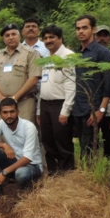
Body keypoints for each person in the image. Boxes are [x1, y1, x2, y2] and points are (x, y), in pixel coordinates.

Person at [0, 98, 43, 199]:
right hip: (14, 161)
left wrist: (4, 172)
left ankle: (26, 190)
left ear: (18, 112)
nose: (9, 115)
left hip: (32, 166)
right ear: (0, 113)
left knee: (21, 173)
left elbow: (27, 158)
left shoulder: (28, 127)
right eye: (5, 112)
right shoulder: (2, 123)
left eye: (12, 111)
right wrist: (4, 145)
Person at [36, 25, 76, 174]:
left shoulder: (68, 56)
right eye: (45, 38)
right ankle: (53, 172)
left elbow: (71, 86)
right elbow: (43, 85)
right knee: (47, 140)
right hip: (45, 104)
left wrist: (66, 110)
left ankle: (67, 173)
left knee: (62, 139)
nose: (48, 40)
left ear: (60, 38)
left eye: (52, 37)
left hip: (60, 104)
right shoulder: (46, 59)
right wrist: (40, 109)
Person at [73, 15, 110, 156]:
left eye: (85, 28)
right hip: (79, 108)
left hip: (94, 109)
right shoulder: (77, 54)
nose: (81, 31)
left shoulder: (102, 53)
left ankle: (97, 177)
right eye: (78, 28)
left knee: (92, 150)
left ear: (93, 29)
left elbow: (109, 85)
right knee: (84, 149)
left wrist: (101, 110)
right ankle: (86, 176)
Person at [0, 23, 42, 124]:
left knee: (25, 134)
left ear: (19, 36)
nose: (11, 37)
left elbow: (34, 78)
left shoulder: (31, 53)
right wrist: (1, 98)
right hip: (4, 105)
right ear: (3, 39)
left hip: (24, 103)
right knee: (5, 136)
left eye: (13, 34)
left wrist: (15, 98)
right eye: (7, 35)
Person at [94, 25, 110, 160]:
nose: (101, 39)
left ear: (109, 39)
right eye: (98, 35)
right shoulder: (87, 57)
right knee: (91, 143)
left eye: (104, 35)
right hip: (91, 108)